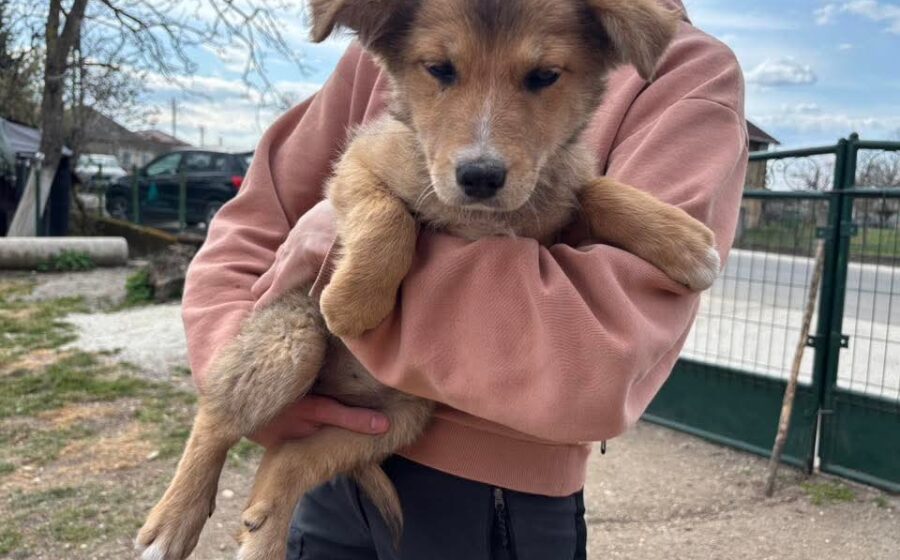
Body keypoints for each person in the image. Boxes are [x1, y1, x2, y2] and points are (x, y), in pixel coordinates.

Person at [181, 0, 748, 557]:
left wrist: (333, 244)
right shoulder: (415, 21)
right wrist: (241, 383)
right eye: (442, 71)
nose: (483, 149)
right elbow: (255, 221)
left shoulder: (682, 68)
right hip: (323, 472)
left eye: (541, 76)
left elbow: (600, 360)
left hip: (496, 503)